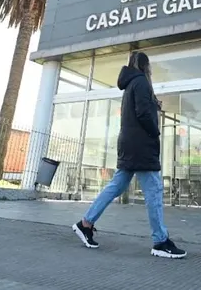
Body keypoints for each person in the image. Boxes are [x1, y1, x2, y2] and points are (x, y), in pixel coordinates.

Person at [72, 51, 186, 259]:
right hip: (141, 145)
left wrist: (154, 106)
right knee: (154, 190)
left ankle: (85, 223)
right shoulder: (141, 82)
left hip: (129, 144)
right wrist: (155, 131)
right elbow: (143, 113)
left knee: (117, 186)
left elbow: (139, 110)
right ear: (145, 65)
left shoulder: (130, 84)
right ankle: (160, 241)